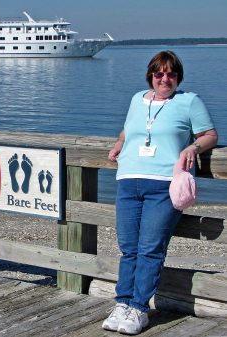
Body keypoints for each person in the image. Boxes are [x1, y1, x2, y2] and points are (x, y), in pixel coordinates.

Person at [102, 51, 218, 335]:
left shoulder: (189, 101)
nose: (165, 79)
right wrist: (118, 143)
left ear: (178, 77)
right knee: (128, 250)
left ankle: (140, 309)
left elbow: (210, 135)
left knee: (150, 250)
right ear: (150, 76)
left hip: (165, 185)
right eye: (159, 74)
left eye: (171, 74)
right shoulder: (137, 99)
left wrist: (193, 147)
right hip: (129, 181)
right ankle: (123, 303)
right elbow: (128, 130)